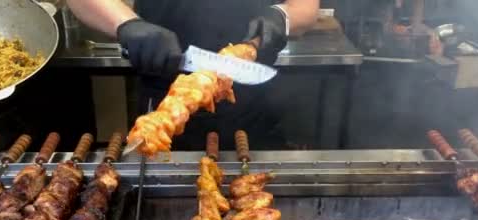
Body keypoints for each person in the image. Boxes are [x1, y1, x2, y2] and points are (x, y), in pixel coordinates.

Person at [66, 0, 319, 150]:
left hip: (253, 99)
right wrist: (126, 23)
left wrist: (282, 16)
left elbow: (305, 7)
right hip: (165, 104)